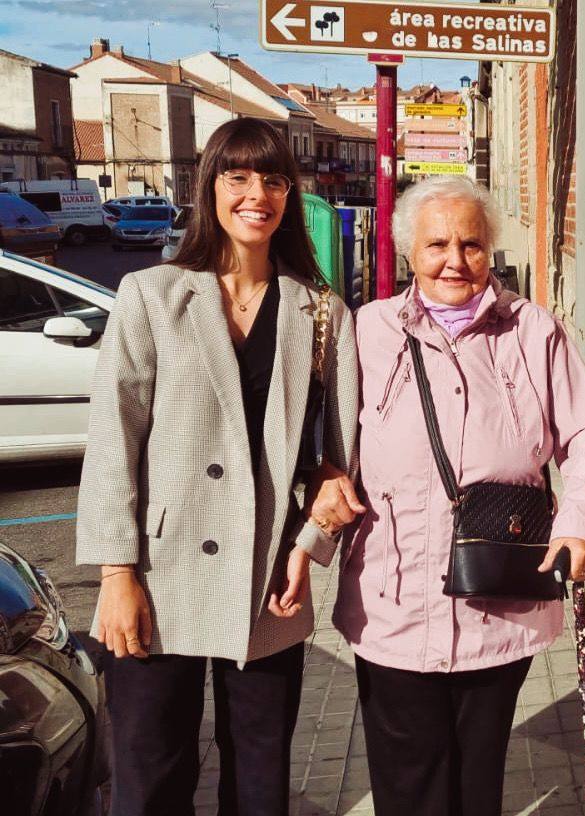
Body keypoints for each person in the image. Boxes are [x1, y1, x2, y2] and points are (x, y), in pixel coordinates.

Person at [76, 118, 360, 816]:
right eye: (237, 177)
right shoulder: (153, 294)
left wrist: (309, 547)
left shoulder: (322, 312)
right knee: (150, 775)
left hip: (270, 579)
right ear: (210, 188)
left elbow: (338, 465)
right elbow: (114, 441)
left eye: (272, 179)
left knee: (260, 785)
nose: (255, 194)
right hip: (157, 573)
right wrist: (117, 576)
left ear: (290, 195)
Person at [320, 176, 585, 816]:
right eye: (436, 245)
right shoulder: (366, 332)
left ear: (490, 251)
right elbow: (324, 446)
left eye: (471, 244)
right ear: (409, 254)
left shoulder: (531, 330)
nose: (454, 261)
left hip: (499, 598)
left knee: (478, 779)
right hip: (392, 603)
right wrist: (314, 515)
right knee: (408, 785)